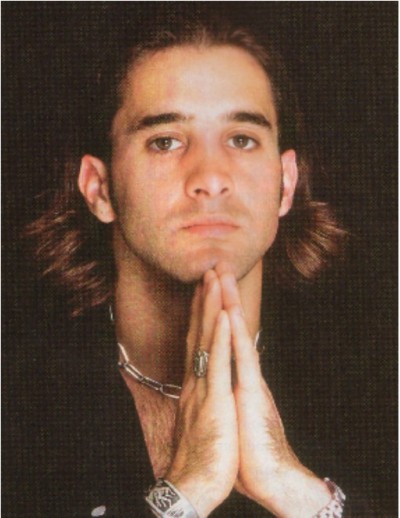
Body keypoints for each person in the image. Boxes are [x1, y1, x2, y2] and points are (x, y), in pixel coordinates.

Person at [20, 20, 350, 517]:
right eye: (165, 141)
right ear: (99, 188)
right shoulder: (21, 406)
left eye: (242, 139)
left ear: (285, 184)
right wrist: (187, 490)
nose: (211, 178)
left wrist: (296, 493)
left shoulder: (369, 389)